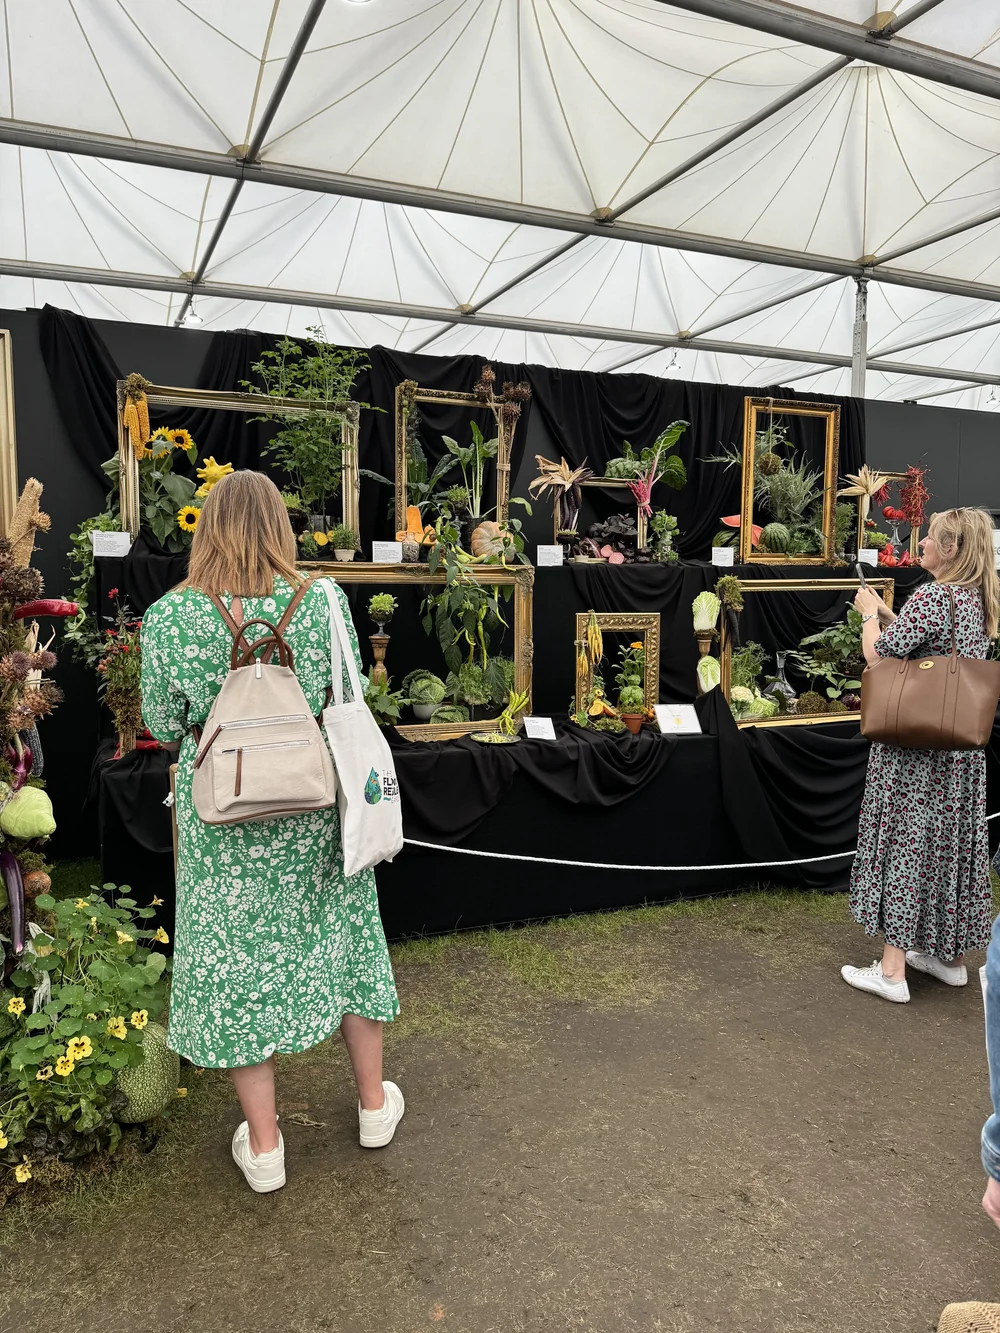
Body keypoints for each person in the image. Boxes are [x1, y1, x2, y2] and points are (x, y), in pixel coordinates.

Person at [140, 470, 402, 1193]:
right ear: (281, 526)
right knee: (345, 938)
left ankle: (265, 1148)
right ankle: (375, 1106)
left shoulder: (169, 616)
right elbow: (353, 695)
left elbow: (163, 726)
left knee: (237, 966)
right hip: (316, 810)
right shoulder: (322, 600)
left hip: (222, 820)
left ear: (207, 527)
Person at [841, 507, 998, 1004]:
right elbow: (933, 651)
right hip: (958, 756)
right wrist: (892, 616)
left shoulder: (932, 595)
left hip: (918, 754)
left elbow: (882, 660)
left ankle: (891, 970)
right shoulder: (975, 598)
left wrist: (869, 614)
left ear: (950, 551)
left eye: (929, 539)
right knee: (947, 845)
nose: (921, 545)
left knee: (909, 843)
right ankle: (948, 960)